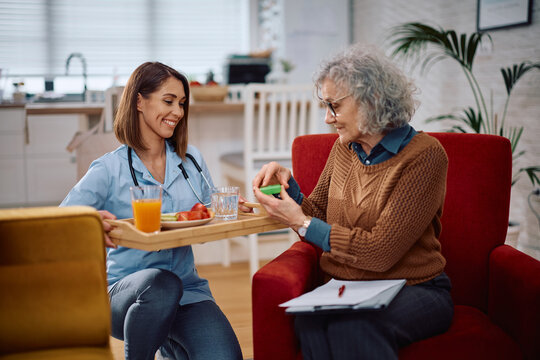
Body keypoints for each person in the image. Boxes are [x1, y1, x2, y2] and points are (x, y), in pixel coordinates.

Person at [252, 44, 454, 359]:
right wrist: (289, 191)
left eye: (334, 106)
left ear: (371, 101)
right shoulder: (344, 149)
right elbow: (315, 213)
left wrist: (300, 222)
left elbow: (379, 252)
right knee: (308, 323)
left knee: (353, 326)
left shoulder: (424, 156)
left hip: (415, 289)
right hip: (348, 287)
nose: (327, 119)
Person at [61, 62, 243, 360]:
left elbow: (210, 213)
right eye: (168, 101)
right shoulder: (109, 168)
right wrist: (93, 221)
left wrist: (232, 210)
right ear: (139, 101)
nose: (178, 112)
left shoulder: (191, 160)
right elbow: (61, 222)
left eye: (182, 104)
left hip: (188, 292)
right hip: (127, 296)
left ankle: (169, 347)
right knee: (161, 285)